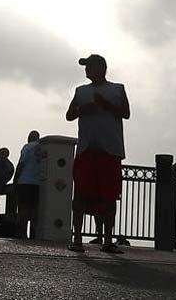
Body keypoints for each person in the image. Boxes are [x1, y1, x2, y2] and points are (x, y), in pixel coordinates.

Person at [66, 53, 130, 254]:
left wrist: (106, 105)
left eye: (90, 66)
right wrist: (84, 107)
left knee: (109, 196)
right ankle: (77, 238)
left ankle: (108, 240)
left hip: (109, 150)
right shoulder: (80, 91)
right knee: (81, 195)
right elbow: (69, 115)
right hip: (87, 148)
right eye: (86, 67)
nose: (86, 70)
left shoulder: (117, 89)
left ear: (101, 68)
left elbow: (126, 113)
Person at [13, 131, 43, 238]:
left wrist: (15, 179)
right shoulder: (43, 149)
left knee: (23, 208)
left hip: (24, 181)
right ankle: (33, 234)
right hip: (37, 183)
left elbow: (21, 164)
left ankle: (22, 233)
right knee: (34, 209)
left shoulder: (27, 147)